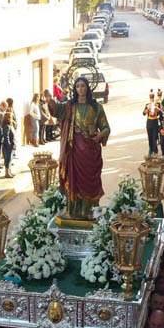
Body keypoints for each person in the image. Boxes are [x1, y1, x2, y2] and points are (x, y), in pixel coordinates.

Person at [46, 77, 110, 220]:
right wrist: (50, 100)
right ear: (75, 89)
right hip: (73, 150)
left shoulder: (96, 107)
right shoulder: (70, 106)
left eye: (83, 86)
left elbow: (106, 127)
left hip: (90, 151)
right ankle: (73, 211)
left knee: (90, 181)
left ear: (88, 88)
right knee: (72, 178)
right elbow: (56, 109)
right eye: (78, 86)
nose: (81, 88)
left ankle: (88, 211)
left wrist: (99, 136)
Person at [2, 112, 16, 179]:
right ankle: (7, 173)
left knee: (10, 159)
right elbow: (6, 136)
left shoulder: (10, 125)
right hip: (8, 147)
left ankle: (9, 172)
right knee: (7, 160)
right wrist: (9, 145)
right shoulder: (6, 126)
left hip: (12, 145)